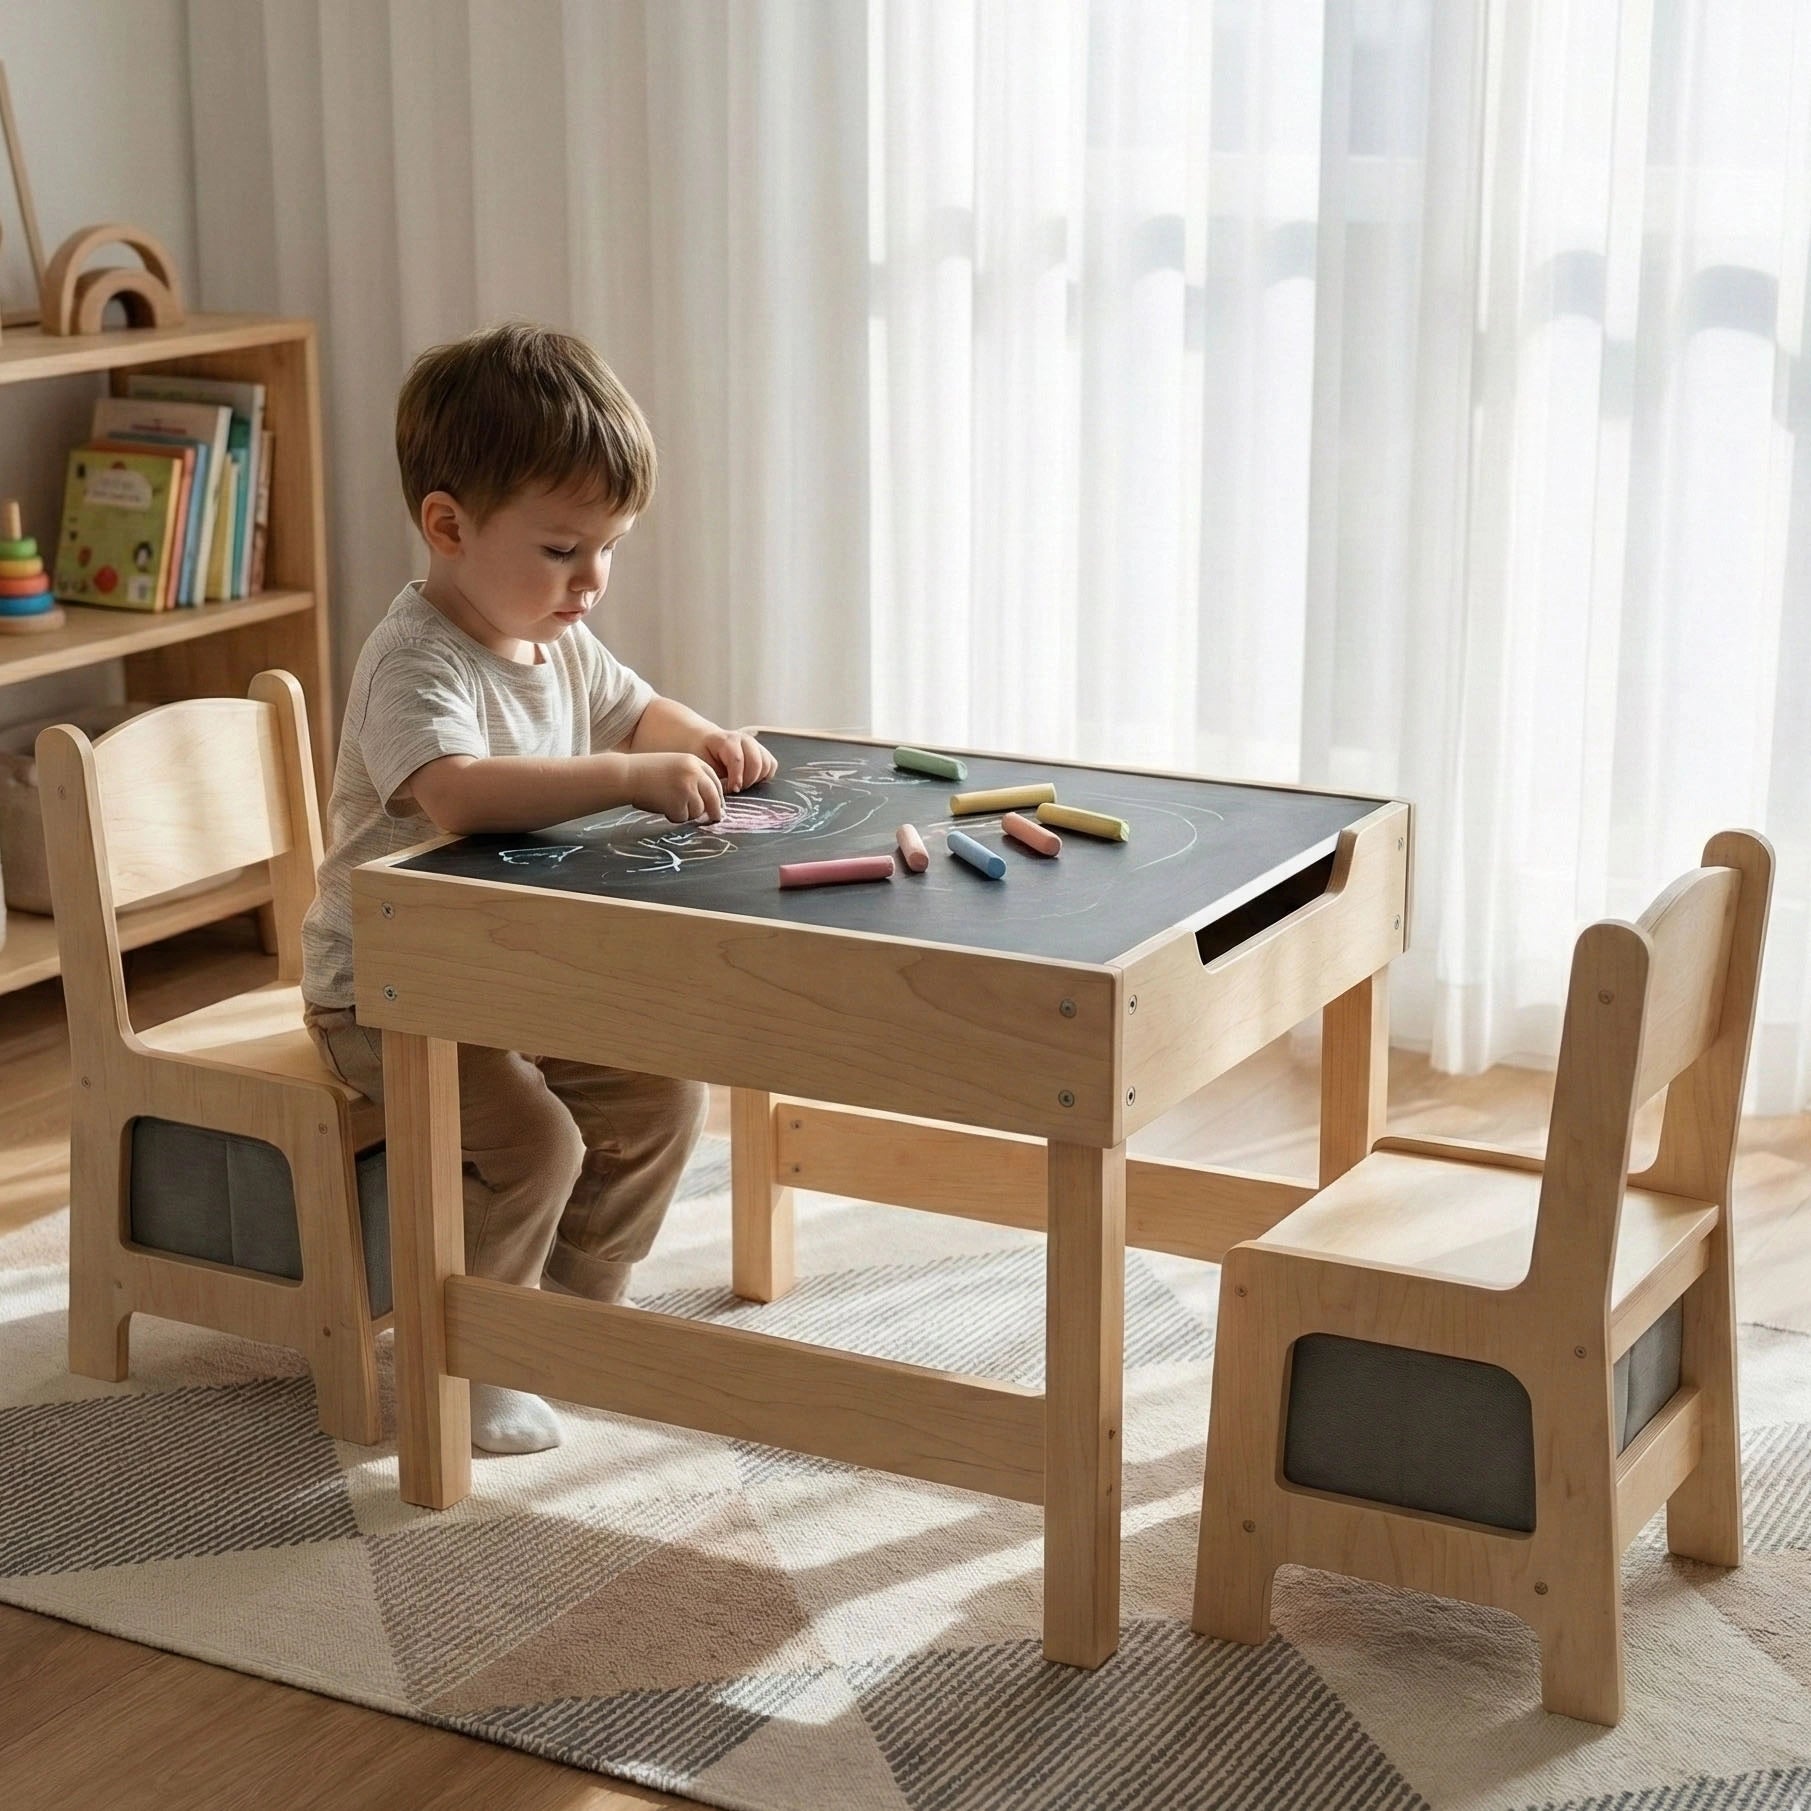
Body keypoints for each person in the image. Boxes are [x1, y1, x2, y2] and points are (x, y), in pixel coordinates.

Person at [300, 320, 776, 1455]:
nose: (591, 580)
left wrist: (705, 739)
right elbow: (456, 792)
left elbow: (638, 709)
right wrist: (626, 776)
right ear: (449, 526)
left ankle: (568, 1313)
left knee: (662, 1093)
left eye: (609, 547)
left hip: (509, 981)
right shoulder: (416, 657)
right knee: (534, 1143)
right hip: (382, 991)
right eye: (565, 548)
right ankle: (474, 1356)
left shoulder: (555, 635)